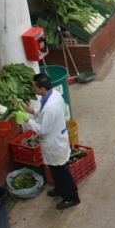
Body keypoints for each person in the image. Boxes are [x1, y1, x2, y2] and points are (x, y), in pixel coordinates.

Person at [21, 72, 79, 210]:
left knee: (62, 171)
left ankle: (71, 197)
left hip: (54, 142)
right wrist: (29, 110)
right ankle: (59, 189)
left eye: (34, 87)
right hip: (56, 138)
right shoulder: (52, 96)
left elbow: (42, 129)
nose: (33, 89)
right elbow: (42, 113)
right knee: (55, 169)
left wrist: (27, 119)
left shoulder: (50, 107)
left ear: (42, 89)